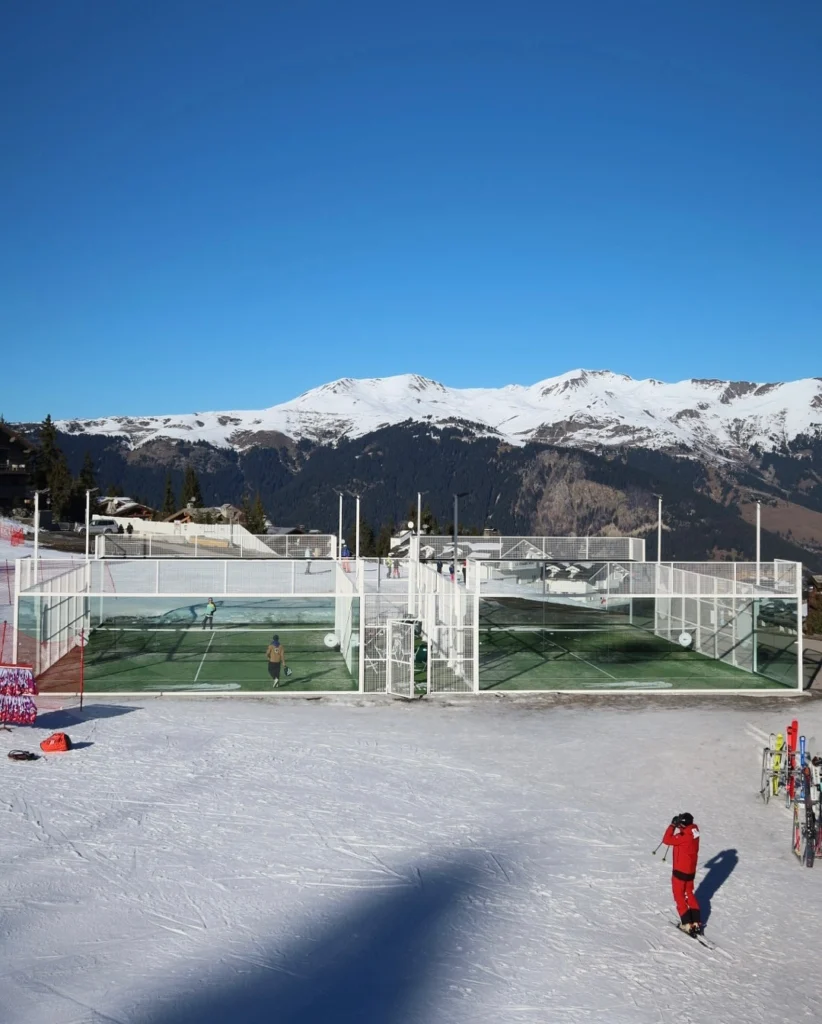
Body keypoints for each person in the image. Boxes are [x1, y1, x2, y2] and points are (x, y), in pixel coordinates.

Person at [661, 812, 702, 936]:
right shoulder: (695, 831)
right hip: (690, 871)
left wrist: (672, 826)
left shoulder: (684, 836)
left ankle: (687, 923)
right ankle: (696, 922)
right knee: (689, 893)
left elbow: (666, 840)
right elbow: (685, 831)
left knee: (679, 895)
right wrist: (679, 824)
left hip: (680, 871)